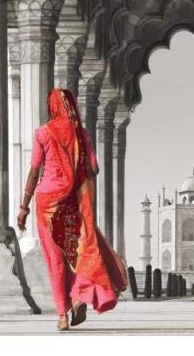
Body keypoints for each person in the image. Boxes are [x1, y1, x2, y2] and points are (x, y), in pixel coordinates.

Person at [17, 88, 128, 330]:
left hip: (47, 205)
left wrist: (23, 207)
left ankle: (62, 315)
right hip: (73, 205)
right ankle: (79, 296)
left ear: (52, 107)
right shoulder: (83, 135)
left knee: (55, 260)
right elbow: (94, 169)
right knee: (78, 254)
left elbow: (35, 170)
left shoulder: (42, 134)